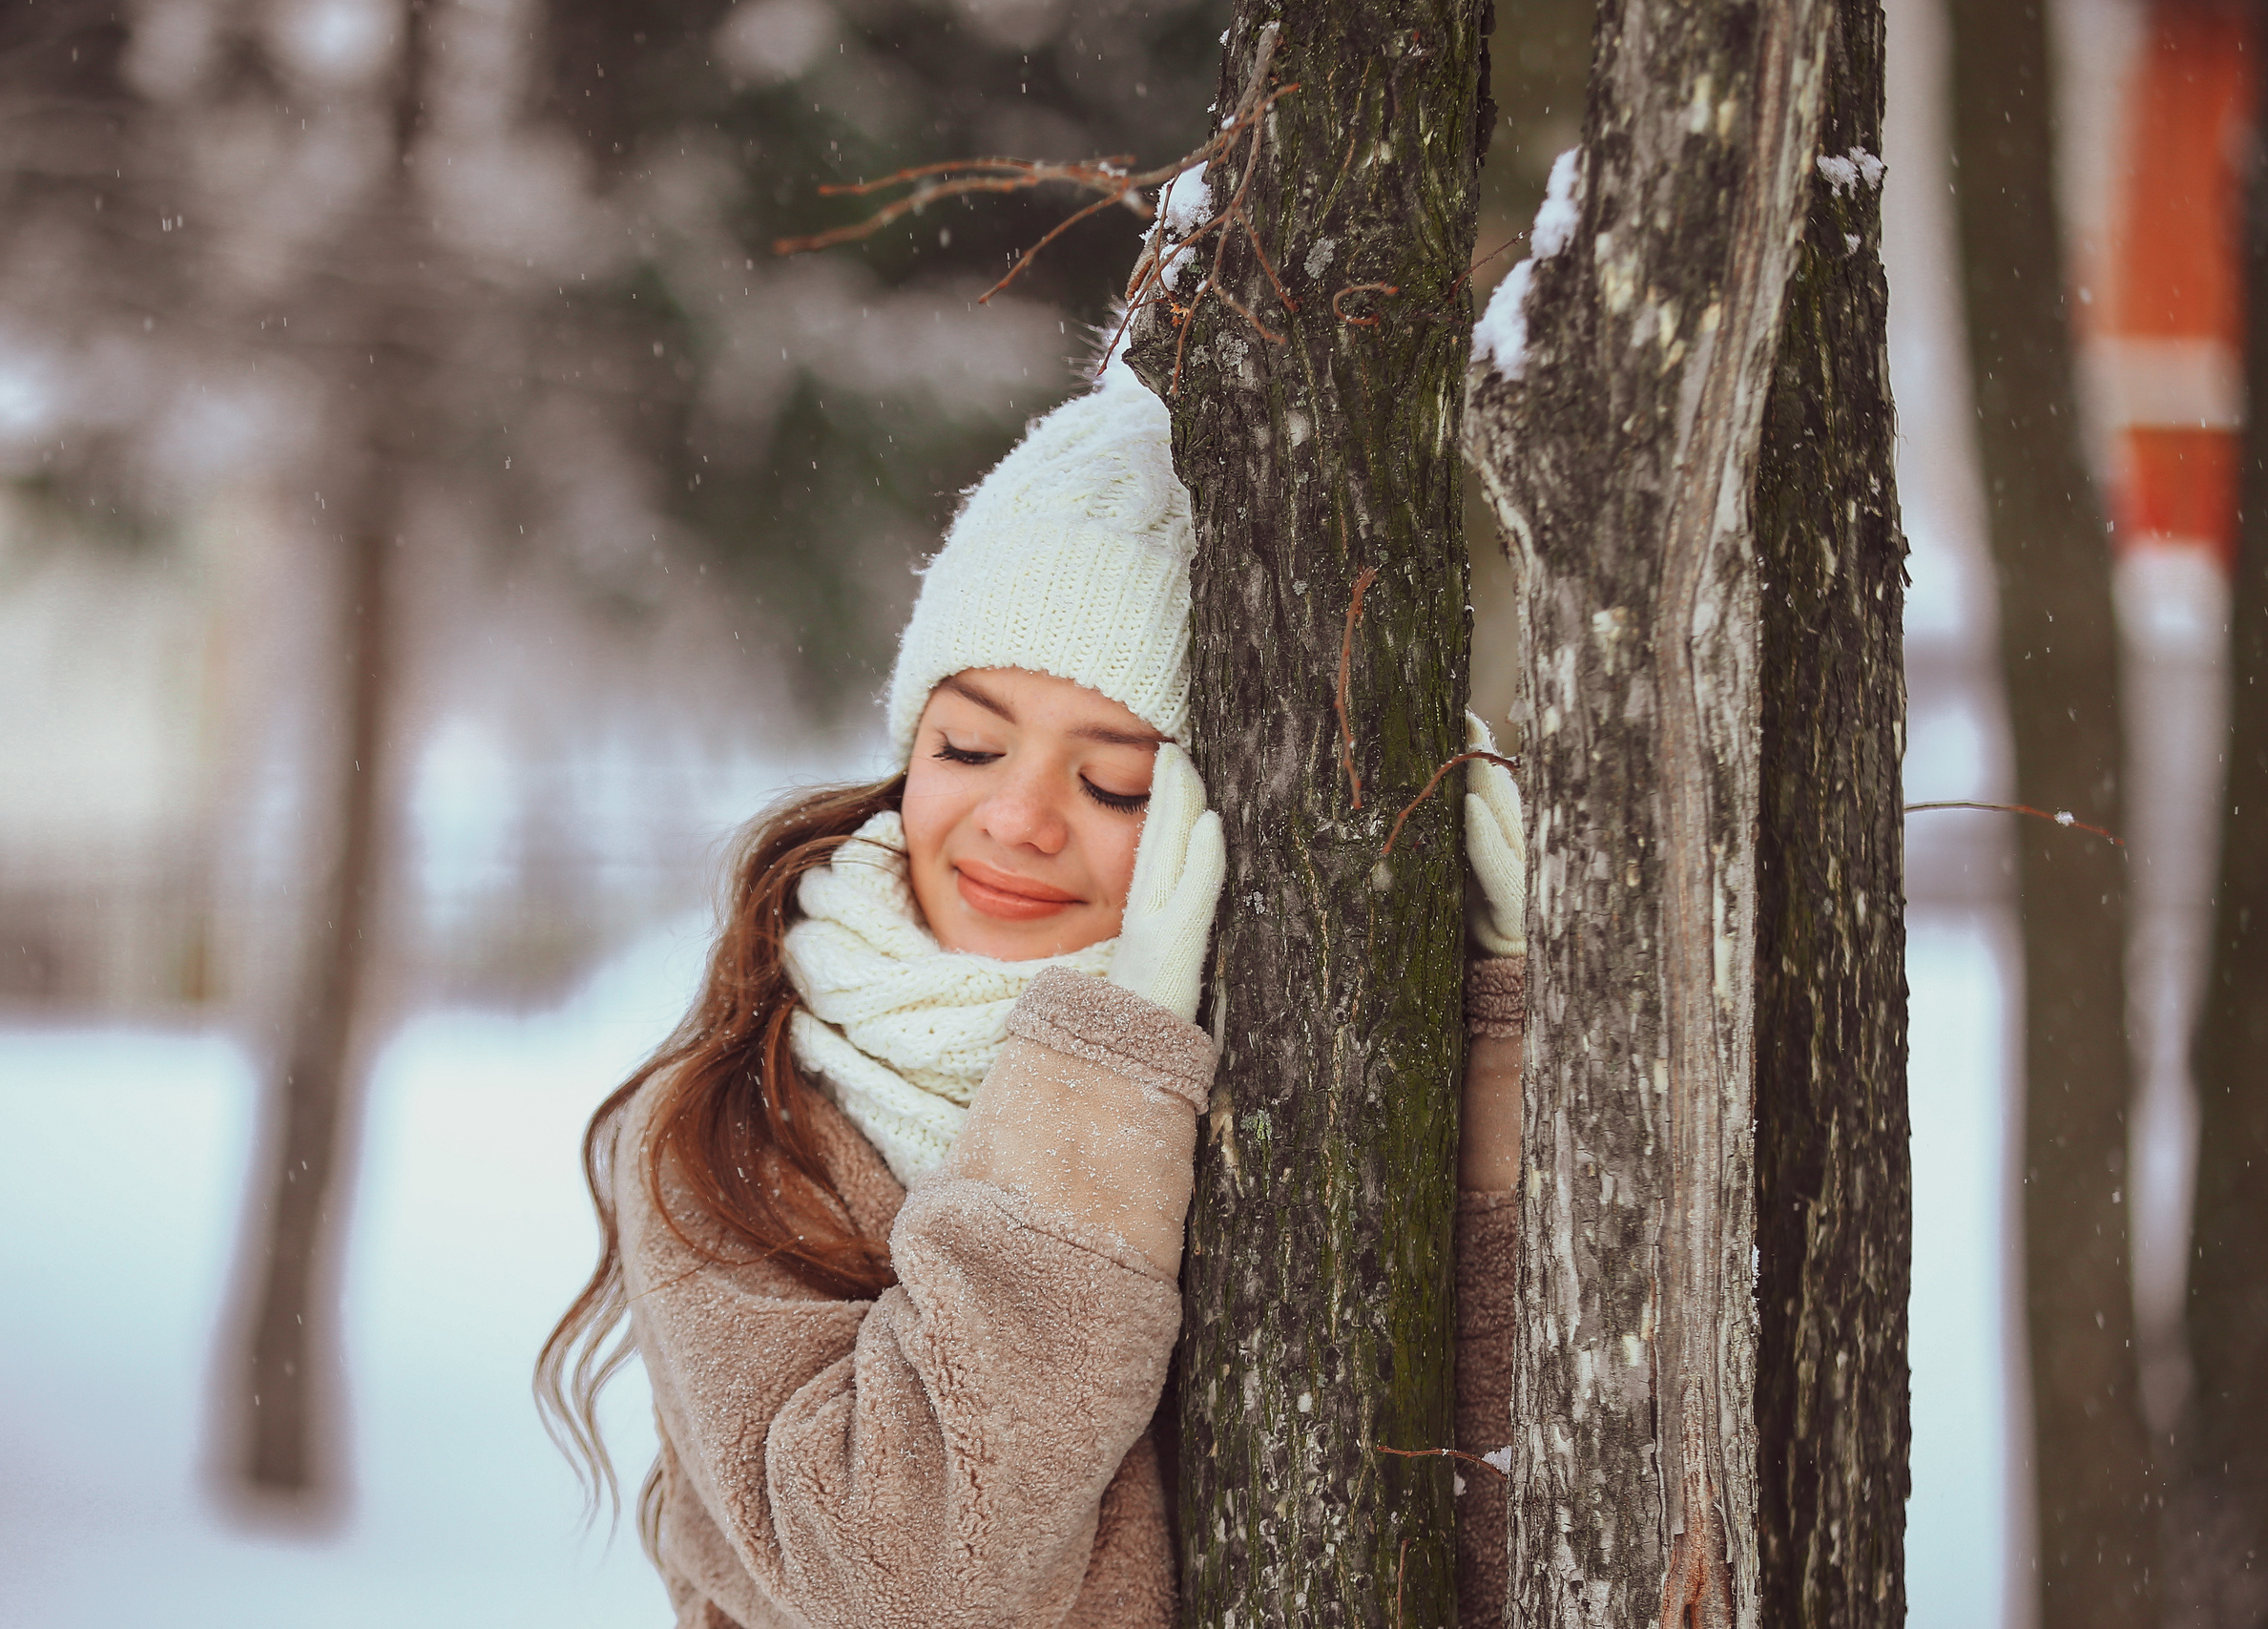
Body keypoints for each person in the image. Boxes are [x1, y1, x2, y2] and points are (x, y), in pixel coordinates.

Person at [538, 364, 1528, 1629]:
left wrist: (1486, 1054)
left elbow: (1489, 1531)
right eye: (968, 745)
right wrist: (1104, 1076)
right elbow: (905, 1583)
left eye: (1116, 785)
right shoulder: (744, 1120)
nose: (1015, 817)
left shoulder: (1290, 1090)